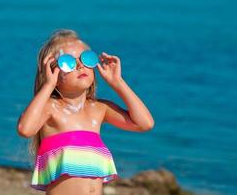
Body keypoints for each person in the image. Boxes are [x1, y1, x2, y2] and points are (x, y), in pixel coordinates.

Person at [16, 29, 154, 195]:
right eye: (68, 62)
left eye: (86, 58)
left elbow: (145, 123)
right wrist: (47, 86)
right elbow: (25, 129)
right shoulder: (51, 108)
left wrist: (118, 83)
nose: (80, 65)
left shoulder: (99, 109)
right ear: (52, 72)